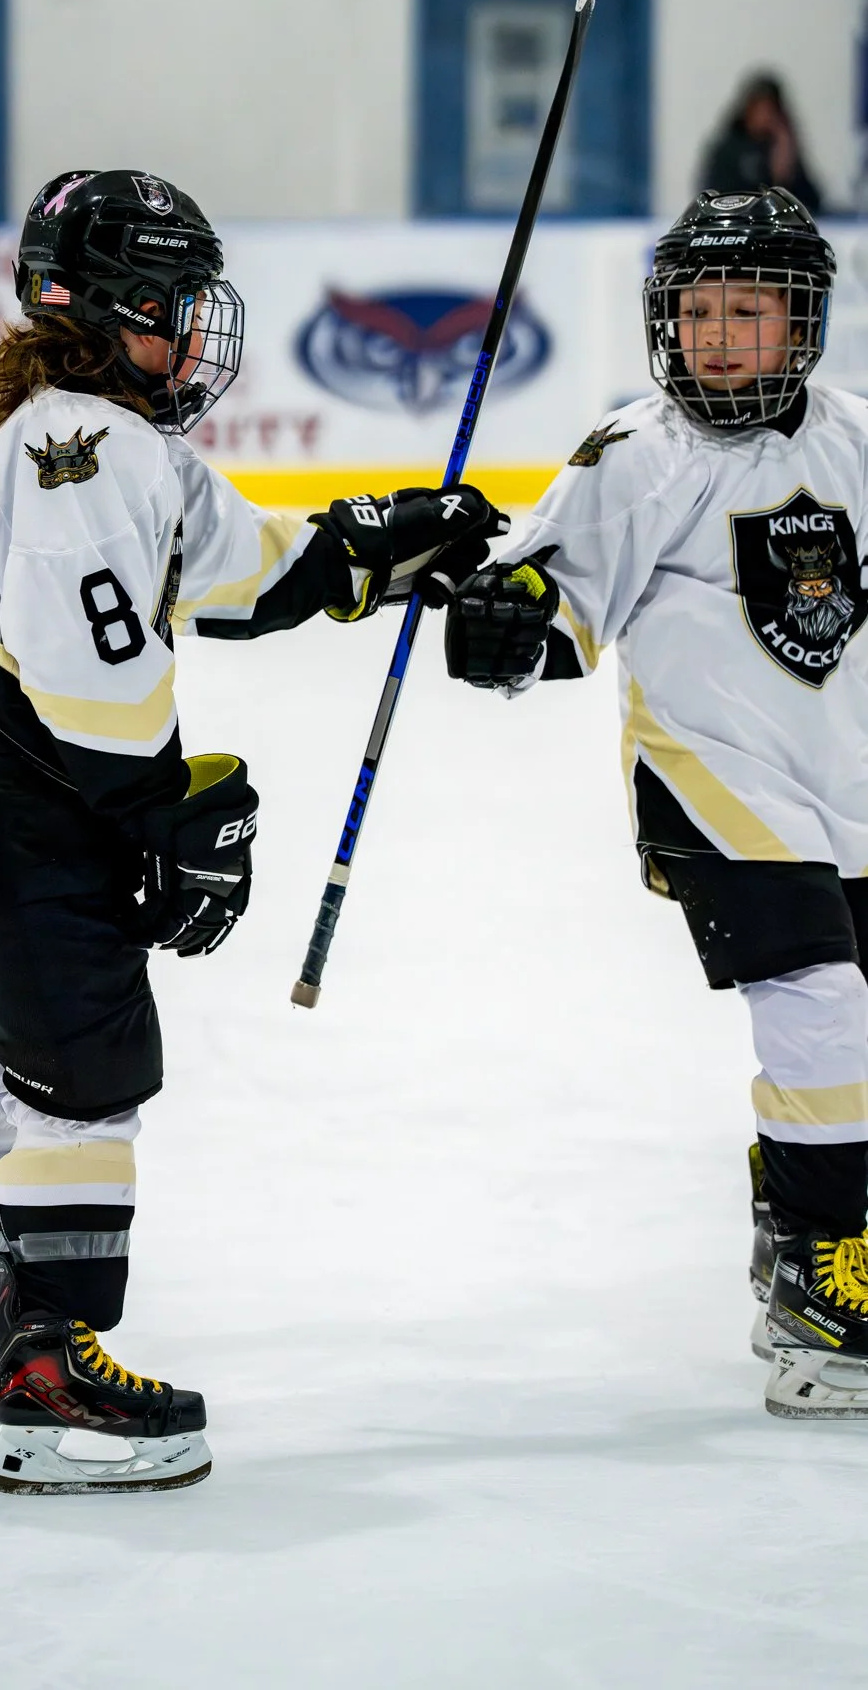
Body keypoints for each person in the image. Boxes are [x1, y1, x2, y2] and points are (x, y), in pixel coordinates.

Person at [0, 168, 505, 1491]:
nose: (198, 333)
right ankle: (51, 1376)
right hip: (8, 797)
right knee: (82, 1079)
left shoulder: (67, 431)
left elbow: (246, 573)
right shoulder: (87, 447)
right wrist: (161, 818)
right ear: (117, 304)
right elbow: (89, 683)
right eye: (178, 305)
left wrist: (390, 541)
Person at [442, 185, 868, 1419]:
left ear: (805, 323)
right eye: (697, 311)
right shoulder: (641, 455)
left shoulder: (853, 439)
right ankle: (819, 1277)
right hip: (716, 785)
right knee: (822, 1007)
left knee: (853, 1024)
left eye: (751, 311)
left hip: (844, 785)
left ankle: (817, 1229)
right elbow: (554, 606)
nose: (720, 336)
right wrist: (505, 624)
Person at [699, 73, 823, 216]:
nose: (766, 116)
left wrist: (785, 174)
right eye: (760, 108)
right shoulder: (729, 148)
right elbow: (713, 196)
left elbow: (812, 203)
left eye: (771, 109)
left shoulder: (781, 149)